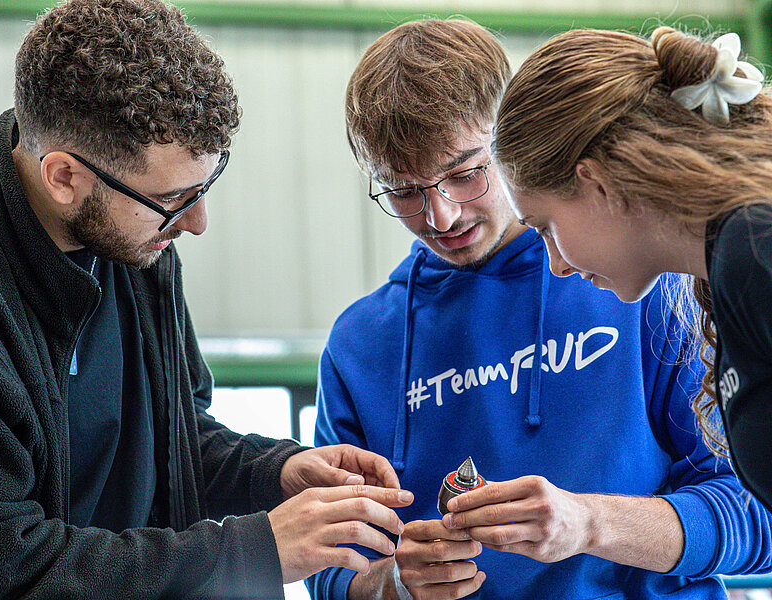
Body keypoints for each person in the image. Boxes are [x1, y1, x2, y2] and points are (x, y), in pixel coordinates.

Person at [305, 19, 772, 600]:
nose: (441, 216)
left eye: (465, 173)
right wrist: (390, 583)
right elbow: (327, 566)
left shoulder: (646, 280)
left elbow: (757, 512)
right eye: (404, 190)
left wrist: (590, 524)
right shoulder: (359, 344)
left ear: (514, 143)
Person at [0, 1, 414, 598]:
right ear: (64, 177)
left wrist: (274, 474)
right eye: (175, 196)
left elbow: (175, 440)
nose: (197, 221)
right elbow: (5, 566)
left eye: (205, 185)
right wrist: (253, 550)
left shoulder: (135, 241)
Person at [494, 26, 772, 514]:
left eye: (545, 228)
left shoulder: (753, 248)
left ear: (596, 184)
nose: (555, 266)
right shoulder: (727, 267)